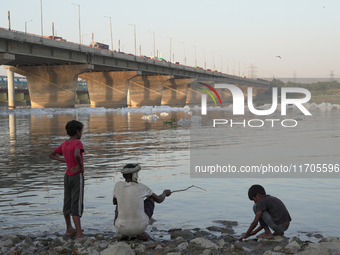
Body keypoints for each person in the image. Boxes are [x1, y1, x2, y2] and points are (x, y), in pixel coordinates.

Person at [113, 164, 171, 241]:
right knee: (151, 199)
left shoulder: (118, 185)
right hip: (139, 228)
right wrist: (165, 193)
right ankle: (141, 234)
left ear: (123, 175)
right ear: (135, 175)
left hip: (120, 228)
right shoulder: (141, 187)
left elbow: (114, 202)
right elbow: (159, 199)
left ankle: (124, 233)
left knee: (119, 203)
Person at [48, 120, 85, 239]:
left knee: (67, 201)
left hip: (67, 176)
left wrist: (64, 161)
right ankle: (79, 233)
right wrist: (79, 165)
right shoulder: (78, 143)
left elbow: (51, 154)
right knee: (76, 203)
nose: (81, 133)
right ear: (78, 132)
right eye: (81, 131)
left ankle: (69, 228)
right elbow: (77, 154)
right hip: (77, 175)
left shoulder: (64, 144)